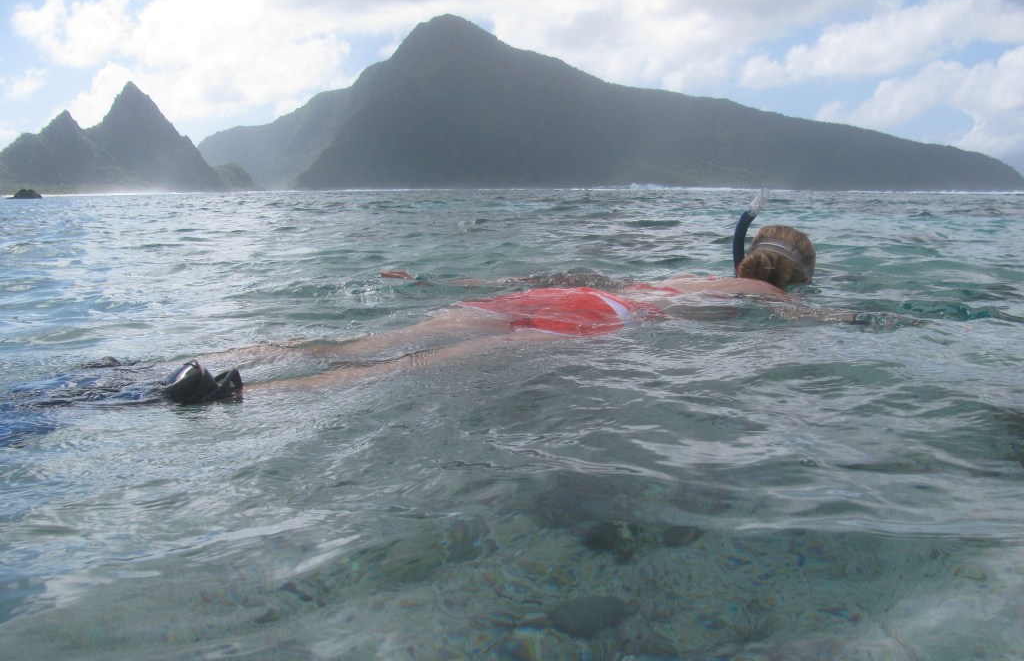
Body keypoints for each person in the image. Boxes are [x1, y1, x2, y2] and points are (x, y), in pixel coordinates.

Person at [162, 222, 817, 403]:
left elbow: (558, 278)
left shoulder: (683, 277)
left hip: (562, 296)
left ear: (746, 255)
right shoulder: (770, 296)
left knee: (358, 344)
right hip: (600, 318)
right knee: (405, 368)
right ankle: (235, 397)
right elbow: (819, 321)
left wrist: (432, 281)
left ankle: (193, 362)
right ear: (791, 278)